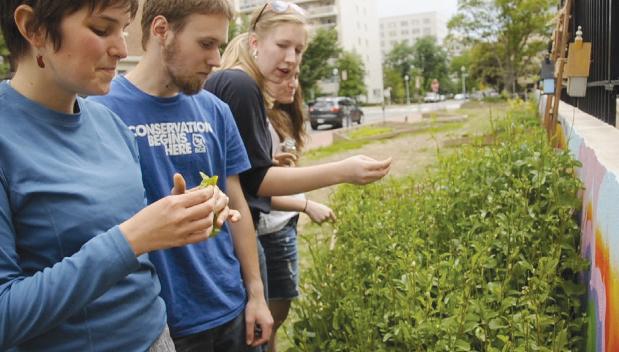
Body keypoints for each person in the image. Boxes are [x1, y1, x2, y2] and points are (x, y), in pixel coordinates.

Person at [0, 0, 232, 351]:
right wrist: (132, 237)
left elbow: (133, 248)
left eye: (123, 29)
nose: (122, 49)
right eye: (101, 29)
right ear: (33, 28)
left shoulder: (111, 124)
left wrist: (183, 215)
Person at [89, 0, 273, 351]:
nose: (217, 59)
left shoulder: (215, 110)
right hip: (162, 326)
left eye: (219, 45)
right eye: (206, 44)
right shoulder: (100, 111)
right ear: (161, 30)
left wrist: (257, 295)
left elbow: (237, 205)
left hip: (231, 309)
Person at [206, 3, 391, 350]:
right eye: (283, 45)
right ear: (255, 43)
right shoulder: (241, 85)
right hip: (230, 244)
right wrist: (343, 171)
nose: (291, 59)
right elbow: (256, 183)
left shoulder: (240, 84)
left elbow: (237, 173)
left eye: (299, 50)